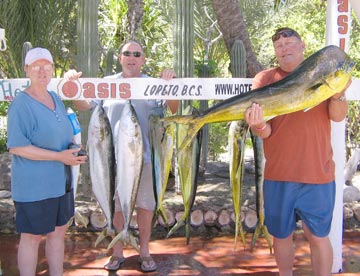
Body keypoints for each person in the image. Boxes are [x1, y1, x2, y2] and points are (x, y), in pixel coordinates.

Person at [244, 27, 350, 276]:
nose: (285, 48)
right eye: (279, 46)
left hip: (318, 174)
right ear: (275, 52)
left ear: (303, 47)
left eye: (290, 43)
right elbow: (266, 131)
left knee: (318, 237)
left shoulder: (322, 73)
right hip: (279, 175)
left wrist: (339, 95)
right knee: (281, 236)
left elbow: (337, 117)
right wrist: (258, 125)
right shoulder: (264, 79)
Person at [66, 40, 178, 272]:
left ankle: (144, 251)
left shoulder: (153, 85)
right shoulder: (106, 84)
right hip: (110, 163)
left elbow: (174, 108)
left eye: (137, 54)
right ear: (120, 58)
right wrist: (73, 86)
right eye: (127, 53)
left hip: (145, 161)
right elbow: (84, 105)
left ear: (143, 59)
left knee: (146, 207)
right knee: (116, 207)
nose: (132, 57)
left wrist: (171, 85)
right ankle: (117, 252)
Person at [6, 47, 87, 276]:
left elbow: (63, 133)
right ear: (27, 70)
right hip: (34, 188)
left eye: (47, 66)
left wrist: (72, 150)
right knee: (31, 239)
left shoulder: (54, 97)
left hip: (60, 185)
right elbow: (17, 146)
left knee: (57, 235)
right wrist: (59, 157)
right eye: (36, 66)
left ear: (52, 69)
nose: (42, 71)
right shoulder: (21, 104)